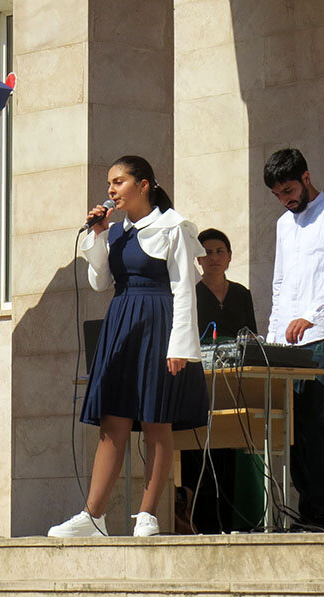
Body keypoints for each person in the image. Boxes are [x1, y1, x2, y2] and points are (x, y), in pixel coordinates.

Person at [48, 155, 207, 538]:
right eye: (109, 183)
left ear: (144, 184)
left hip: (159, 322)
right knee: (112, 420)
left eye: (119, 181)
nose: (111, 189)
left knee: (157, 420)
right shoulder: (117, 231)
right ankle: (93, 516)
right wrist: (98, 235)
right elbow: (100, 282)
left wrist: (180, 345)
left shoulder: (173, 227)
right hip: (121, 321)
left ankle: (149, 514)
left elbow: (184, 288)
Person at [263, 148, 324, 532]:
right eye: (279, 195)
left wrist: (310, 316)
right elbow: (280, 282)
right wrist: (271, 335)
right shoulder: (285, 225)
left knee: (315, 426)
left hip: (321, 337)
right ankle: (306, 513)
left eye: (289, 189)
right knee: (295, 429)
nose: (286, 199)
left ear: (306, 176)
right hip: (287, 345)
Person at [178, 228, 260, 534]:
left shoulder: (241, 294)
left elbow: (250, 337)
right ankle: (200, 521)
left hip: (234, 384)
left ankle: (236, 522)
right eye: (207, 252)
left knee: (232, 448)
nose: (213, 258)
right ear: (198, 259)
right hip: (200, 383)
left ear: (229, 257)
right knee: (200, 451)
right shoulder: (191, 294)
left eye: (219, 252)